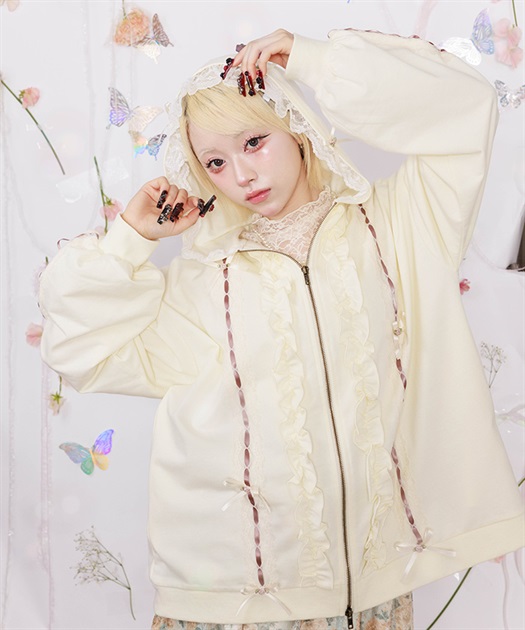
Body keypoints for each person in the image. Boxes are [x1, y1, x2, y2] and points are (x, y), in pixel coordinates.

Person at [40, 28, 524, 630]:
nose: (242, 174)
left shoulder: (401, 224)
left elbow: (466, 107)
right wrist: (129, 242)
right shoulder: (202, 280)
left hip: (376, 591)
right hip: (230, 601)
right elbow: (82, 352)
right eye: (216, 162)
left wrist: (313, 60)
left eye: (255, 141)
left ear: (296, 128)